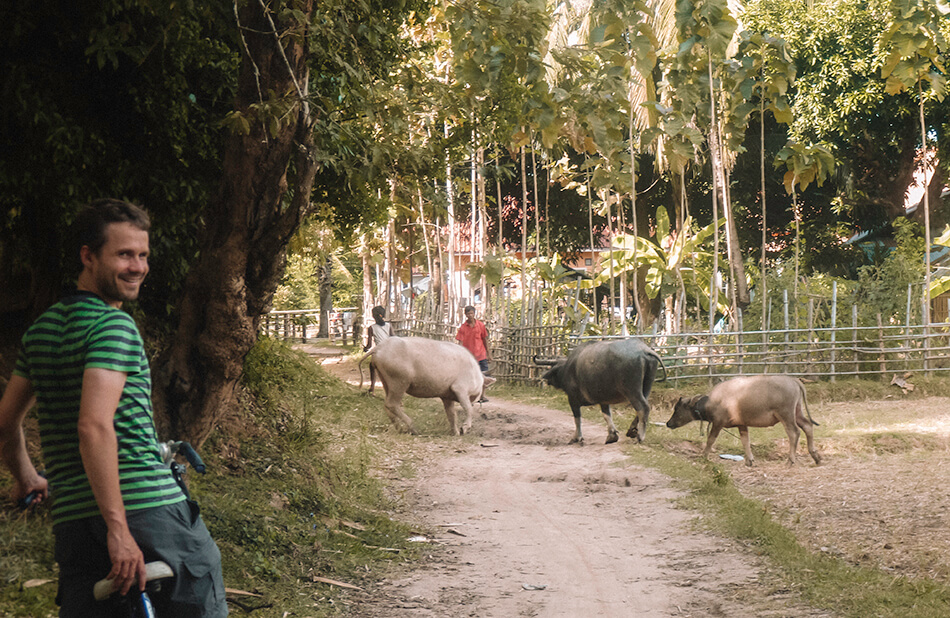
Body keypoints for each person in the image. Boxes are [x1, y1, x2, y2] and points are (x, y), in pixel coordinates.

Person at [0, 199, 228, 617]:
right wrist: (118, 530)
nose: (137, 267)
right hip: (145, 514)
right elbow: (93, 426)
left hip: (74, 525)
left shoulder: (42, 330)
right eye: (124, 254)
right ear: (88, 256)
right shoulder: (113, 325)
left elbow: (5, 422)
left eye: (142, 255)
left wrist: (26, 476)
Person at [455, 305, 491, 403]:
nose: (470, 315)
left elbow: (484, 339)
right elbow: (460, 342)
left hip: (481, 354)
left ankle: (482, 396)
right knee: (469, 376)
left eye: (471, 313)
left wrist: (488, 353)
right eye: (468, 314)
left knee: (484, 375)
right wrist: (460, 354)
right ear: (465, 315)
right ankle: (472, 396)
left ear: (474, 314)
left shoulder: (480, 325)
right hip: (469, 356)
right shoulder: (463, 328)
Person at [364, 305, 394, 394]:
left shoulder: (371, 328)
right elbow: (394, 338)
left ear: (373, 316)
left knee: (372, 366)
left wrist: (365, 348)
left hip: (379, 352)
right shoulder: (389, 325)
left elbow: (369, 345)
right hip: (389, 351)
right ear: (383, 315)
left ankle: (372, 387)